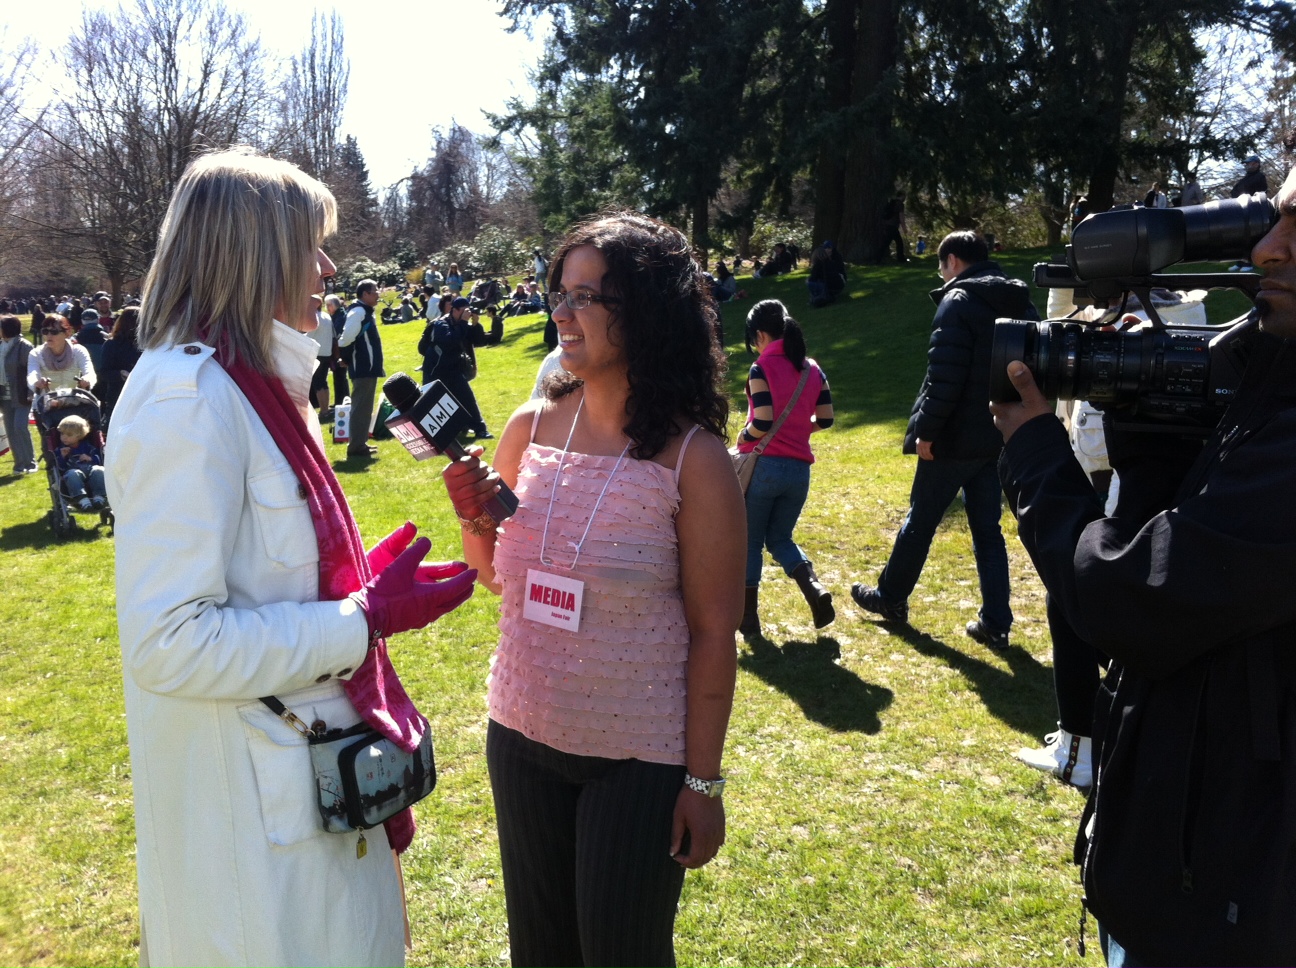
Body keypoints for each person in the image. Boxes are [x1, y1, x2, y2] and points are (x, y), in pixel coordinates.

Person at [105, 148, 477, 968]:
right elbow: (168, 642)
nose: (329, 267)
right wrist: (360, 618)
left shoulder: (257, 383)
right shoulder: (188, 399)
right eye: (312, 245)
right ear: (256, 253)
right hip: (252, 820)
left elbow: (258, 573)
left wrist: (350, 586)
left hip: (306, 783)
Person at [987, 161, 1296, 968]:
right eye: (1271, 223)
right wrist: (1153, 433)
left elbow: (1133, 602)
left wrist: (1035, 453)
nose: (1266, 250)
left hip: (1238, 907)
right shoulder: (1273, 389)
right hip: (1207, 875)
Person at [441, 211, 744, 968]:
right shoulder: (530, 427)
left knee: (622, 954)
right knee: (540, 954)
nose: (562, 313)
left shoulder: (693, 460)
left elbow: (714, 632)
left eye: (587, 296)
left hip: (636, 759)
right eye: (560, 293)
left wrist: (702, 783)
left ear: (644, 310)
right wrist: (473, 513)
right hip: (520, 733)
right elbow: (490, 572)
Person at [851, 230, 1037, 647]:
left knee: (920, 520)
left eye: (940, 265)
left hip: (954, 438)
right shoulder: (1020, 302)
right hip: (997, 434)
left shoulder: (959, 301)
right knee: (988, 531)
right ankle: (996, 621)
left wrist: (926, 432)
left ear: (952, 260)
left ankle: (891, 598)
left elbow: (944, 379)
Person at [736, 299, 835, 636]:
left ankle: (748, 619)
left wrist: (742, 435)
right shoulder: (812, 368)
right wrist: (798, 429)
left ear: (761, 334)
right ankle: (814, 589)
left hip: (764, 468)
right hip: (799, 472)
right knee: (780, 538)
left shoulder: (760, 368)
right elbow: (826, 418)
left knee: (749, 543)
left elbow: (761, 421)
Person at [417, 296, 492, 440]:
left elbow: (479, 341)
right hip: (436, 369)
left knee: (467, 398)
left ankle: (480, 429)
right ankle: (433, 433)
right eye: (464, 311)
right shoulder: (441, 324)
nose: (467, 313)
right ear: (455, 310)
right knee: (434, 401)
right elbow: (450, 341)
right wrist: (464, 322)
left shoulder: (463, 324)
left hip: (453, 368)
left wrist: (475, 325)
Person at [338, 278, 385, 459]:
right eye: (375, 291)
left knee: (365, 407)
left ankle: (360, 443)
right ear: (365, 294)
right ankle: (356, 447)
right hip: (363, 366)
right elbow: (346, 338)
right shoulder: (358, 311)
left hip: (368, 366)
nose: (378, 294)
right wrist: (346, 356)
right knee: (360, 407)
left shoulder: (364, 311)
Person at [0, 315, 38, 473]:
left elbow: (32, 370)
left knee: (20, 426)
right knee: (10, 430)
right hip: (4, 395)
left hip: (21, 394)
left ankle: (31, 462)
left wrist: (31, 392)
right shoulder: (1, 345)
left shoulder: (24, 346)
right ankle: (19, 464)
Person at [28, 315, 95, 392]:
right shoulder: (36, 353)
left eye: (54, 332)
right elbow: (32, 374)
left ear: (68, 332)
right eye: (45, 331)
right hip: (44, 401)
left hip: (73, 400)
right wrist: (36, 383)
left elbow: (90, 372)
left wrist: (87, 379)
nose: (49, 336)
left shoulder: (79, 351)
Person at [99, 306, 142, 423]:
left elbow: (104, 372)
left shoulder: (147, 345)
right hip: (120, 393)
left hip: (128, 395)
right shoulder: (112, 344)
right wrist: (120, 374)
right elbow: (104, 372)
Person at [55, 414, 107, 509]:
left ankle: (99, 497)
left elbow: (99, 458)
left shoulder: (88, 447)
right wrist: (62, 457)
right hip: (72, 472)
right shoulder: (61, 449)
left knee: (99, 470)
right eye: (62, 434)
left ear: (79, 436)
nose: (64, 437)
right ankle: (82, 498)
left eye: (69, 435)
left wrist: (91, 458)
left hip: (90, 470)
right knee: (72, 474)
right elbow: (60, 468)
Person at [806, 242, 845, 308]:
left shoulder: (818, 265)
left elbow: (813, 278)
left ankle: (816, 298)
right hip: (838, 285)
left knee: (810, 282)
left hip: (830, 286)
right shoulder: (830, 262)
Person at [878, 194, 909, 262]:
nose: (905, 198)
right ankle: (901, 259)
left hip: (887, 224)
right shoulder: (900, 204)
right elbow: (901, 217)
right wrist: (904, 228)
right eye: (904, 196)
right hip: (893, 226)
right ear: (902, 196)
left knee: (888, 242)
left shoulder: (892, 202)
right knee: (898, 243)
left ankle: (878, 258)